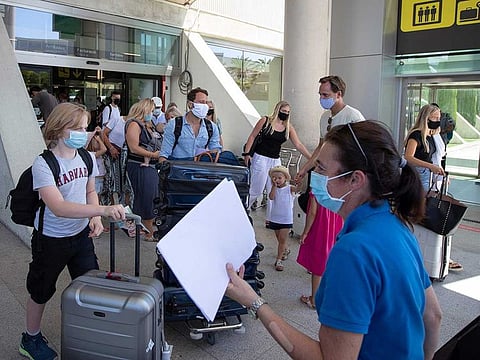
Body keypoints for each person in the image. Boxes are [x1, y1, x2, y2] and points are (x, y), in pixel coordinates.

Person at [226, 120, 442, 360]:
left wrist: (254, 302)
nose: (314, 175)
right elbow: (433, 316)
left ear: (355, 180)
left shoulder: (353, 251)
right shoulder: (399, 227)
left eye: (320, 168)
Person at [20, 103, 126, 360]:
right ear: (58, 128)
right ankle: (30, 338)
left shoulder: (87, 157)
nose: (84, 132)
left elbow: (90, 192)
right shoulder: (43, 164)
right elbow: (58, 207)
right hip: (51, 239)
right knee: (41, 289)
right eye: (77, 127)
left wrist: (94, 215)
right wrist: (101, 211)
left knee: (90, 286)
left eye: (84, 127)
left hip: (80, 238)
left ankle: (90, 334)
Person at [243, 101, 311, 219]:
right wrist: (247, 154)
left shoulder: (288, 127)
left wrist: (311, 158)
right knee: (256, 188)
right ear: (278, 110)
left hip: (275, 160)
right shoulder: (265, 121)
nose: (285, 114)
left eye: (288, 112)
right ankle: (244, 209)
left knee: (276, 188)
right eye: (283, 111)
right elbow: (252, 136)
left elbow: (298, 144)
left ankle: (271, 218)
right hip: (261, 157)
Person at [124, 98, 161, 241]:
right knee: (145, 197)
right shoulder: (134, 124)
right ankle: (148, 231)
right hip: (139, 165)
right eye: (151, 111)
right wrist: (153, 155)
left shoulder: (147, 125)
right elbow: (134, 147)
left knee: (151, 197)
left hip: (149, 165)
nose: (152, 114)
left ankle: (146, 228)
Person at [296, 190, 340, 309]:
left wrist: (305, 232)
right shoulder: (339, 188)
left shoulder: (317, 191)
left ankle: (314, 299)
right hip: (336, 227)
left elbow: (312, 213)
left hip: (321, 229)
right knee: (330, 262)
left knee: (318, 265)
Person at [159, 87, 222, 161]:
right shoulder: (174, 125)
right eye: (201, 102)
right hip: (179, 169)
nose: (205, 106)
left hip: (201, 169)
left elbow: (215, 152)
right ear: (190, 105)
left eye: (205, 103)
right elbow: (164, 154)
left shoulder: (211, 127)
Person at [404, 104, 445, 191]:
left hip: (427, 173)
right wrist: (430, 166)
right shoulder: (416, 135)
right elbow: (408, 157)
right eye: (434, 118)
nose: (437, 121)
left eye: (438, 118)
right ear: (426, 119)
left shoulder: (431, 135)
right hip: (417, 173)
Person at [101, 91, 131, 206]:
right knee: (112, 180)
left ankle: (122, 206)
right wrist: (111, 148)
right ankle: (110, 205)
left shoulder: (117, 110)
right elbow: (104, 131)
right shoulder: (109, 110)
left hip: (122, 153)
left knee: (121, 182)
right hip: (112, 151)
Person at [267, 166, 297, 271]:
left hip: (286, 219)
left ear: (285, 178)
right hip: (275, 218)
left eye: (280, 178)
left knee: (282, 240)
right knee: (279, 239)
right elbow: (271, 197)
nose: (277, 180)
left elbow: (299, 189)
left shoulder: (290, 188)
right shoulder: (273, 189)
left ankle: (278, 260)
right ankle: (286, 249)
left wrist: (300, 180)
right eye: (274, 178)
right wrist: (274, 187)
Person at [86, 127, 107, 201]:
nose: (100, 143)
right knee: (95, 196)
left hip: (100, 178)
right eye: (97, 142)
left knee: (99, 196)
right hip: (96, 179)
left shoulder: (99, 155)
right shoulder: (92, 154)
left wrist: (100, 133)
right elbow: (104, 149)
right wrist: (97, 139)